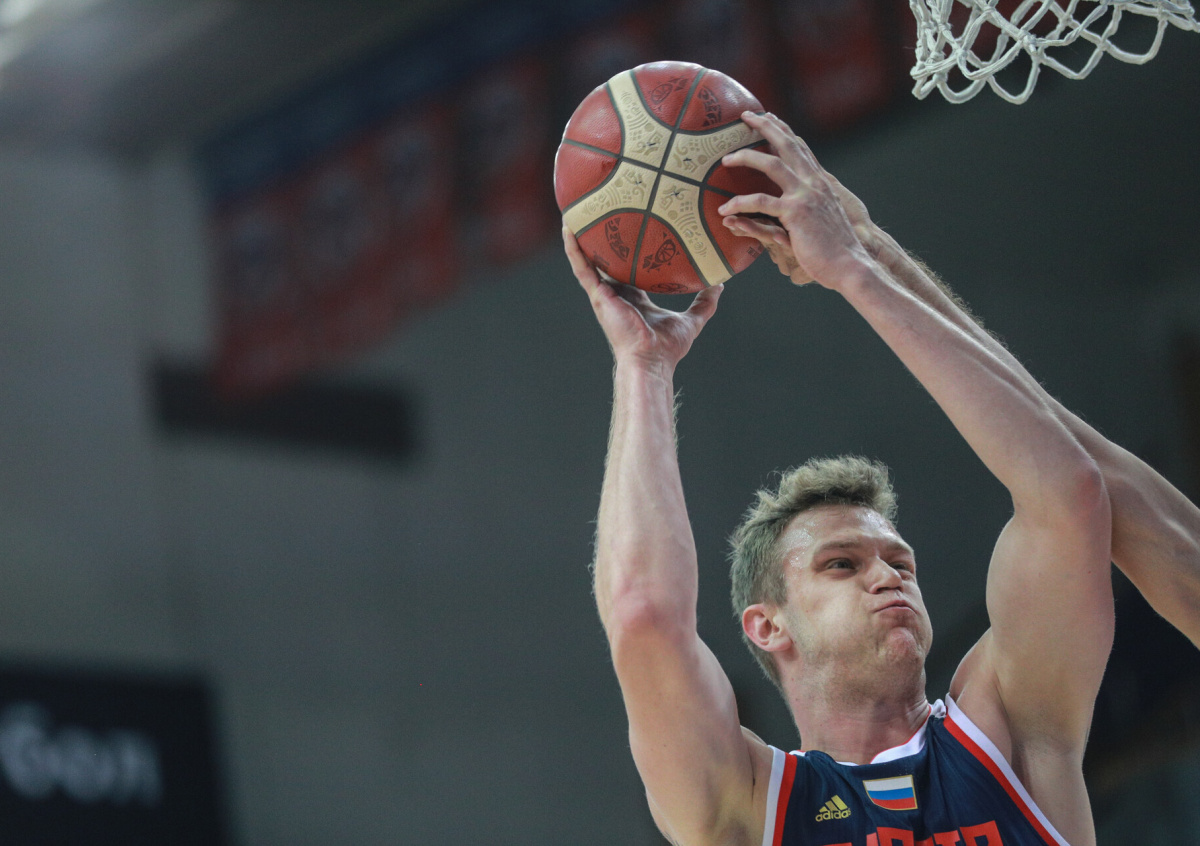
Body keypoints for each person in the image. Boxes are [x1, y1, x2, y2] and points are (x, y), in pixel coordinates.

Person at [564, 108, 1200, 846]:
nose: (888, 576)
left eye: (901, 562)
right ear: (767, 626)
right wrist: (643, 367)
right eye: (841, 563)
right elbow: (643, 614)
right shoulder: (747, 804)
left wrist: (858, 269)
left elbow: (1070, 493)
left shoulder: (1011, 727)